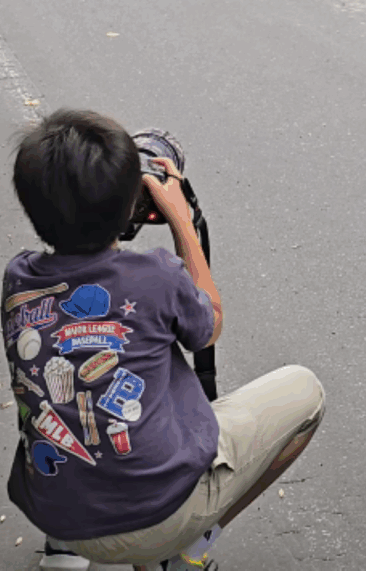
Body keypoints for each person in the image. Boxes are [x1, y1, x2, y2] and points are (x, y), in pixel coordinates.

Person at [2, 110, 325, 571]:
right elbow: (208, 326)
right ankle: (185, 550)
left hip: (59, 510)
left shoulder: (18, 280)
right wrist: (181, 221)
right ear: (131, 203)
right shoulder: (155, 276)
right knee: (306, 390)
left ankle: (64, 552)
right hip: (156, 519)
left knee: (66, 390)